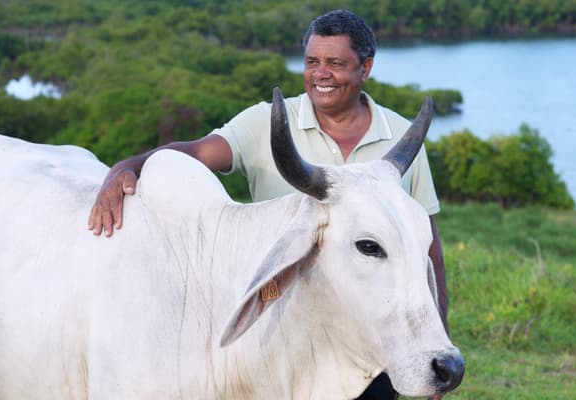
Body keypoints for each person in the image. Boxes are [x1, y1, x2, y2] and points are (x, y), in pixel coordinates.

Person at [88, 9, 447, 400]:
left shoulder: (399, 137)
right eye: (312, 62)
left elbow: (426, 248)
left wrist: (437, 341)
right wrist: (127, 166)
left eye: (335, 63)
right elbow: (196, 152)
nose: (320, 74)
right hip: (278, 333)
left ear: (366, 68)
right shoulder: (266, 122)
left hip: (368, 341)